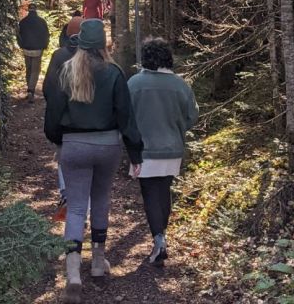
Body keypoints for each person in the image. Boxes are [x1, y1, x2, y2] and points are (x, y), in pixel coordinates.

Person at [44, 19, 143, 304]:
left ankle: (73, 273)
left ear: (78, 41)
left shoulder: (66, 70)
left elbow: (53, 112)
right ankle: (98, 263)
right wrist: (135, 152)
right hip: (107, 146)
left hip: (74, 146)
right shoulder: (114, 72)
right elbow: (125, 115)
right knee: (100, 200)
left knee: (76, 207)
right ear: (103, 44)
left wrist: (58, 139)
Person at [128, 37, 198, 267]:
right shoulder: (180, 85)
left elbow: (125, 116)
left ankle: (159, 239)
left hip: (144, 150)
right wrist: (177, 129)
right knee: (164, 190)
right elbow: (192, 116)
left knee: (150, 193)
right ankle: (161, 236)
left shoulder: (134, 83)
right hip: (172, 148)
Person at [43, 15, 83, 220]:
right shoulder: (95, 56)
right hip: (88, 123)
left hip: (64, 121)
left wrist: (53, 111)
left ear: (68, 34)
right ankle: (82, 204)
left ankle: (66, 194)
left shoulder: (59, 55)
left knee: (62, 157)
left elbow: (48, 88)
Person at [17, 3, 50, 103]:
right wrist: (45, 46)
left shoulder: (22, 22)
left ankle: (29, 89)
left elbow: (18, 35)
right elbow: (46, 35)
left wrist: (21, 45)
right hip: (38, 50)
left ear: (28, 10)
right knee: (35, 71)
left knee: (29, 69)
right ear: (36, 10)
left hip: (26, 49)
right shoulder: (42, 22)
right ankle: (31, 90)